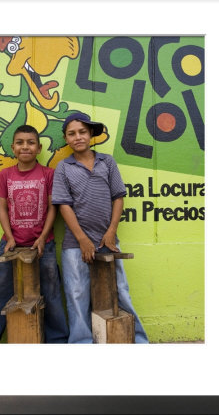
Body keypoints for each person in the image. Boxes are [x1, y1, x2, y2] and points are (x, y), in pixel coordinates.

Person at [52, 112, 149, 343]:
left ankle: (137, 340)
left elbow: (118, 197)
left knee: (121, 291)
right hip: (75, 244)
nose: (78, 137)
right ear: (66, 139)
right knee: (77, 294)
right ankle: (81, 342)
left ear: (91, 134)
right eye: (71, 133)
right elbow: (63, 205)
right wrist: (82, 239)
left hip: (107, 242)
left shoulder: (107, 162)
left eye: (82, 132)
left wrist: (111, 232)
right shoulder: (64, 168)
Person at [0, 125, 69, 343]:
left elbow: (52, 208)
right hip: (10, 246)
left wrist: (42, 237)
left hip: (43, 246)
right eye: (20, 142)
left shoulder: (49, 174)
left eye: (30, 142)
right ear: (13, 148)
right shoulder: (5, 175)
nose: (25, 146)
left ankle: (58, 341)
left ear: (39, 148)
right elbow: (2, 209)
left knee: (52, 294)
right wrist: (9, 237)